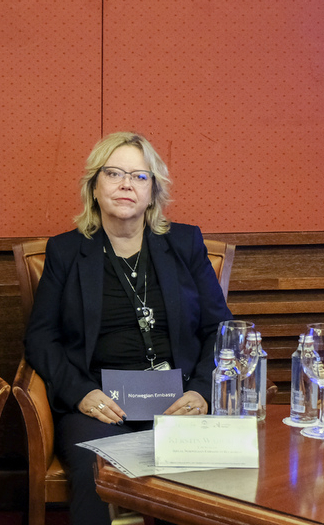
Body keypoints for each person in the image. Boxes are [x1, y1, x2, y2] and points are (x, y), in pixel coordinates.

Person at [24, 131, 232, 525]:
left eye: (140, 176)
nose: (126, 185)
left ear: (154, 191)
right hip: (100, 403)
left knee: (208, 472)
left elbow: (220, 329)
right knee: (97, 469)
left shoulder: (185, 243)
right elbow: (40, 338)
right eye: (114, 173)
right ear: (94, 187)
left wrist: (202, 392)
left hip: (178, 400)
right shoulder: (66, 251)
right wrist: (80, 392)